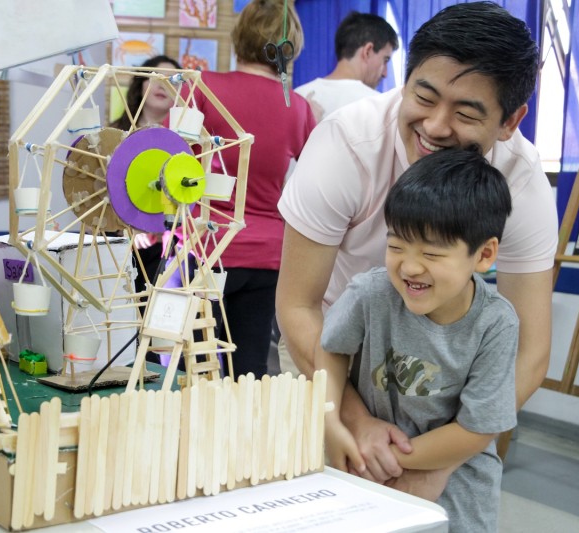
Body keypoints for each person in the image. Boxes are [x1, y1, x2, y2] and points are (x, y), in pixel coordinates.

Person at [276, 0, 558, 499]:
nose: (435, 126)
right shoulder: (347, 144)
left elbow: (530, 352)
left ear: (510, 120)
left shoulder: (521, 180)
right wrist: (354, 421)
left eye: (466, 113)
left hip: (443, 391)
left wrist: (443, 451)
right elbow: (298, 306)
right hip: (328, 352)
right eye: (424, 96)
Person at [320, 148, 517, 532]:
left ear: (484, 254)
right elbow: (330, 351)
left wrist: (395, 458)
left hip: (456, 488)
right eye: (396, 246)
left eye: (431, 253)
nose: (409, 267)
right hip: (366, 467)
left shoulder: (496, 324)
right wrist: (332, 423)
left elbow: (477, 429)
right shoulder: (370, 293)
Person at [184, 0, 316, 378]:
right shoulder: (299, 107)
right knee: (249, 371)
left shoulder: (201, 88)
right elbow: (311, 184)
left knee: (195, 366)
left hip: (207, 245)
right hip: (268, 255)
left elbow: (172, 160)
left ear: (240, 34)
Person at [110, 55, 184, 305]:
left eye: (171, 80)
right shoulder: (113, 135)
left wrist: (158, 229)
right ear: (140, 84)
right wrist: (126, 229)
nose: (163, 85)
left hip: (164, 249)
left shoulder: (185, 143)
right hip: (116, 246)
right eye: (155, 78)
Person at [294, 11, 398, 120]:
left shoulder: (299, 96)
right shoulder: (379, 106)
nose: (385, 73)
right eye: (385, 60)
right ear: (367, 51)